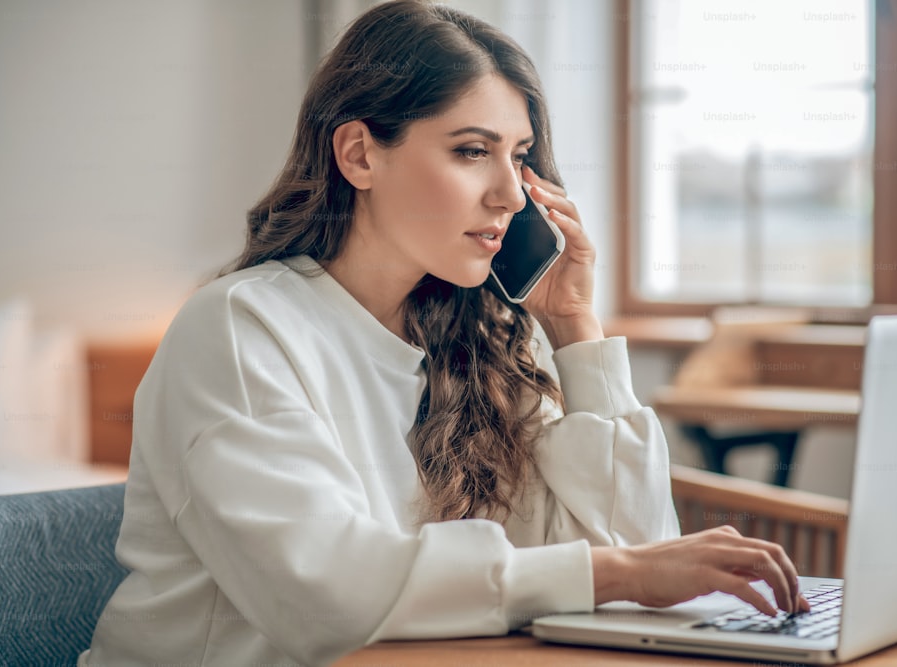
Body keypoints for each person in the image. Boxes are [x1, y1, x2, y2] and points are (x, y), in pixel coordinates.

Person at [81, 2, 808, 665]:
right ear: (359, 154)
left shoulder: (490, 334)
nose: (512, 193)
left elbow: (636, 554)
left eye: (519, 155)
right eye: (471, 150)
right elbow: (329, 596)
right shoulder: (241, 329)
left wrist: (575, 329)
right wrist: (620, 573)